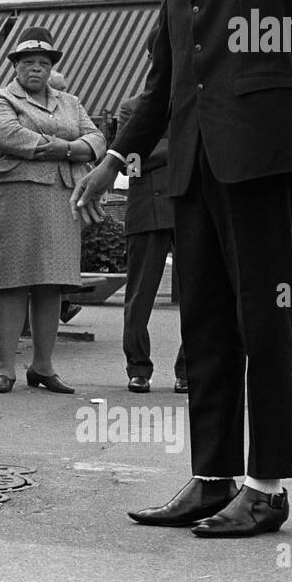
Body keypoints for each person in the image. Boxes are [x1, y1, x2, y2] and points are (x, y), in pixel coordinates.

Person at [71, 0, 292, 537]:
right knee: (204, 322)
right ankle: (212, 477)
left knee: (263, 321)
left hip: (255, 159)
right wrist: (116, 155)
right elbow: (164, 77)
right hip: (192, 168)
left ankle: (266, 484)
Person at [0, 27, 106, 395]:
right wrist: (69, 147)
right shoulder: (0, 98)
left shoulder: (70, 101)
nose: (36, 69)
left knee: (51, 281)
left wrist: (66, 150)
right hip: (17, 193)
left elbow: (97, 139)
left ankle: (43, 366)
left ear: (52, 68)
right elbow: (8, 136)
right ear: (15, 66)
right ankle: (5, 367)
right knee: (12, 279)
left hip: (61, 195)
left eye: (43, 63)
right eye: (28, 62)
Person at [117, 32, 188, 395]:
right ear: (151, 57)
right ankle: (138, 368)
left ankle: (187, 369)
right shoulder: (133, 106)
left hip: (187, 206)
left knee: (196, 293)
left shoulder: (194, 100)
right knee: (139, 294)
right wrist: (180, 153)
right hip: (149, 206)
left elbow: (139, 154)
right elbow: (131, 164)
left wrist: (152, 152)